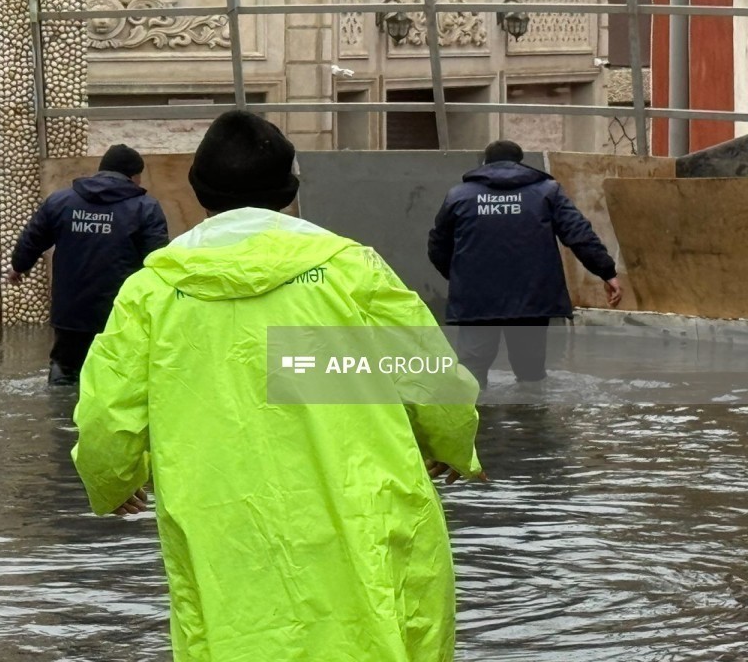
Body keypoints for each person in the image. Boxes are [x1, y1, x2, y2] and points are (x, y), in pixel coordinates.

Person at [72, 110, 485, 661]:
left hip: (225, 526)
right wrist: (450, 444)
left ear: (199, 191)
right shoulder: (352, 270)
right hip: (366, 514)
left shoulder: (152, 292)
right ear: (289, 190)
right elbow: (432, 375)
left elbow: (107, 416)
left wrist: (113, 478)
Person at [428, 139, 623, 390]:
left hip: (477, 298)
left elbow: (437, 246)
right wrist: (607, 272)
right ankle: (531, 415)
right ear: (520, 163)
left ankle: (475, 415)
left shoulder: (459, 195)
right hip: (532, 296)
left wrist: (461, 279)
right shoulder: (547, 192)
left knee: (471, 372)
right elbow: (579, 234)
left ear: (485, 163)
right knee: (531, 373)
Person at [8, 144, 168, 387]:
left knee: (64, 374)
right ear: (134, 176)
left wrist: (19, 266)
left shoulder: (61, 201)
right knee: (116, 377)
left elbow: (33, 238)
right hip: (120, 311)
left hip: (69, 312)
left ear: (101, 170)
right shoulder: (145, 208)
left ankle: (60, 410)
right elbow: (157, 259)